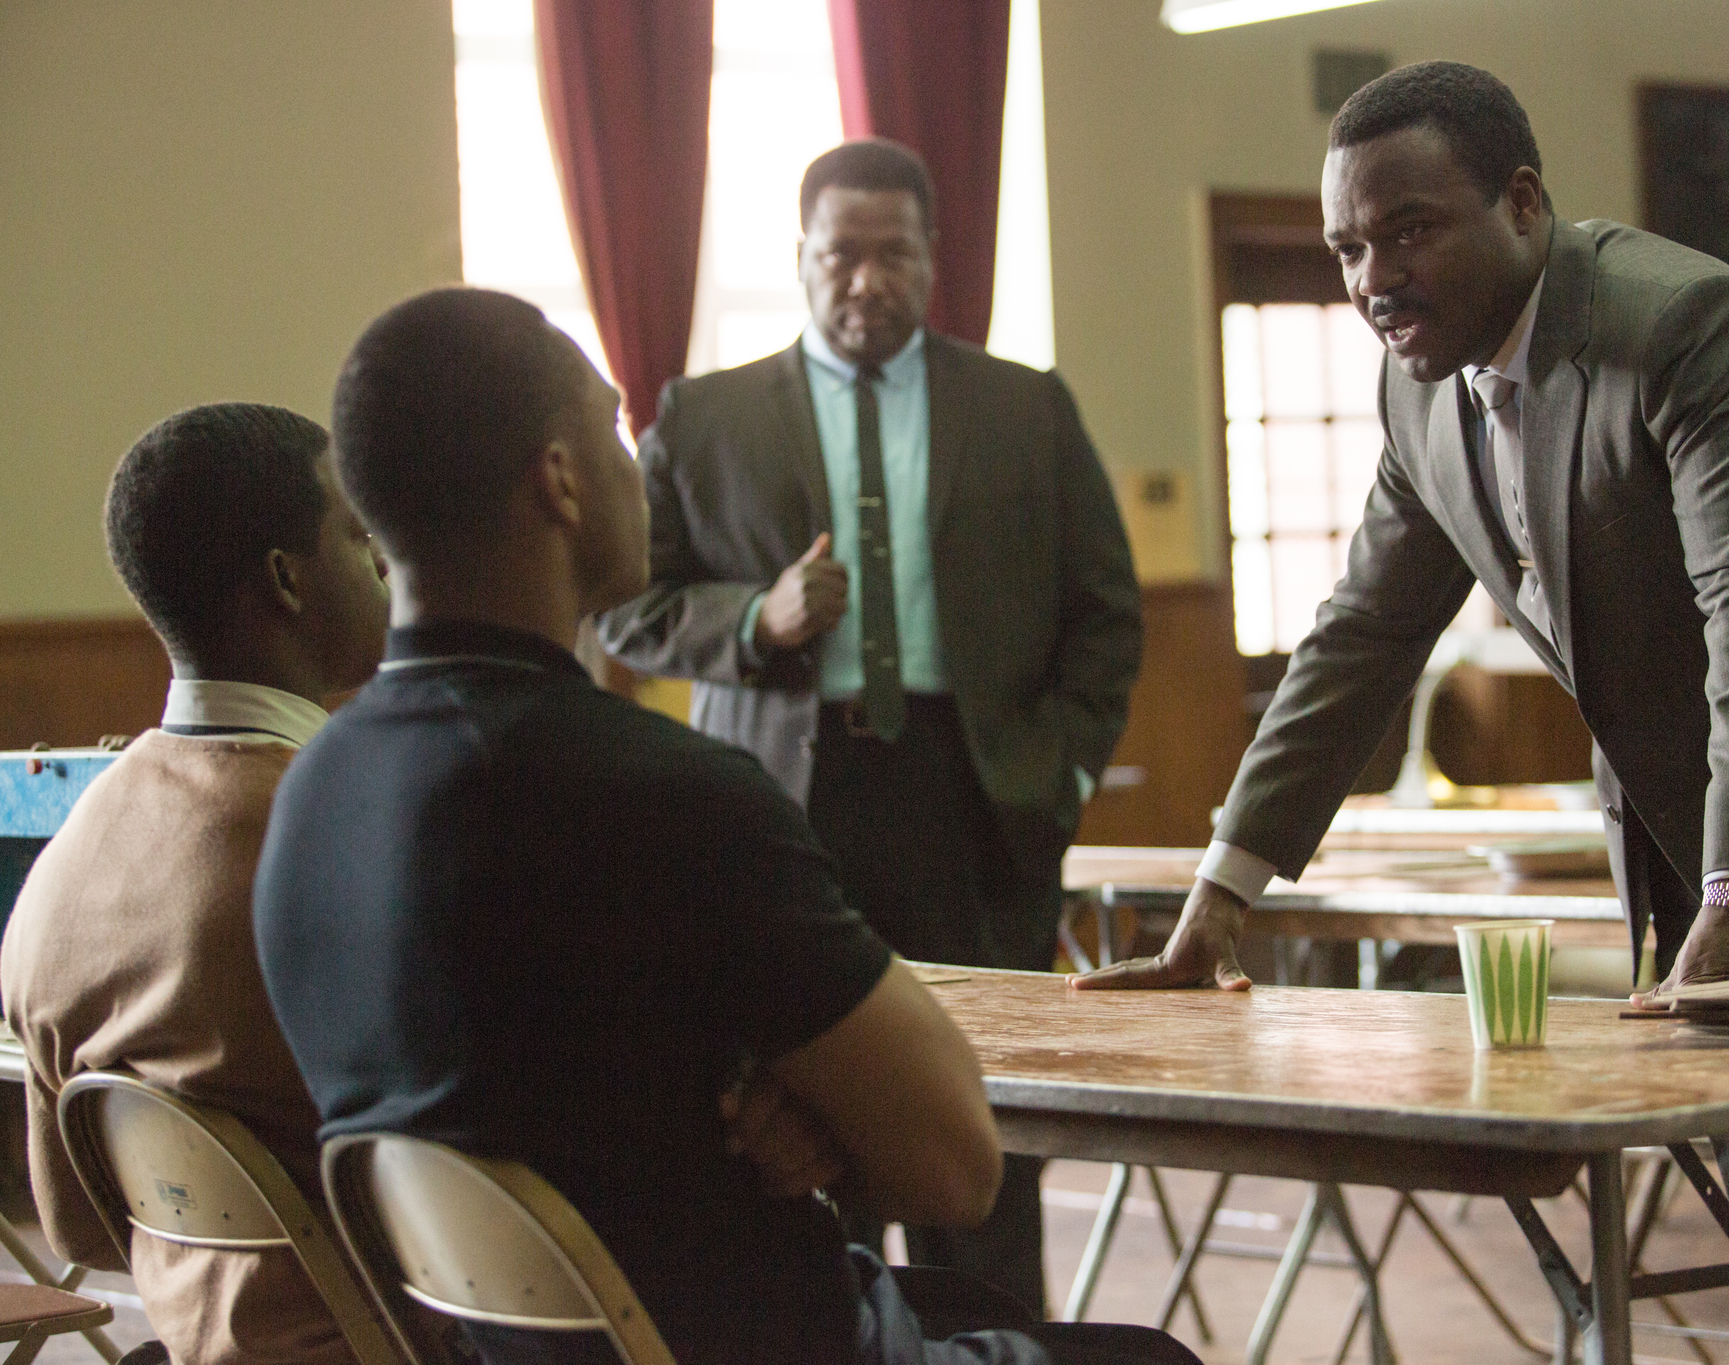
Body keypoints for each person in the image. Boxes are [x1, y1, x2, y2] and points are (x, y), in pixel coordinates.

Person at [1078, 62, 1729, 1365]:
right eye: (1347, 246)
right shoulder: (1416, 391)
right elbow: (1358, 638)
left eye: (1410, 229)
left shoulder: (1686, 321)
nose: (1372, 278)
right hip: (1700, 847)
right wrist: (1225, 889)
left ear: (1524, 204)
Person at [253, 287, 1194, 1365]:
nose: (633, 465)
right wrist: (811, 1106)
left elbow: (527, 1088)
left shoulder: (309, 796)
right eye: (612, 428)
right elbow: (954, 1165)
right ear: (557, 479)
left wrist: (750, 1098)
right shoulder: (668, 797)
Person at [597, 137, 1143, 1312]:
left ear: (932, 260)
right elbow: (624, 606)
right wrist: (755, 616)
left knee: (983, 1128)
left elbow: (1104, 613)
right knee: (787, 1129)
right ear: (799, 258)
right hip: (777, 803)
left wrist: (1062, 772)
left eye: (892, 255)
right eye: (840, 255)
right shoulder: (706, 417)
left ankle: (988, 1340)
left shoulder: (1023, 407)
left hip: (976, 796)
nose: (865, 280)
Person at [1, 403, 390, 1365]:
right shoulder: (353, 844)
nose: (381, 562)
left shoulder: (62, 863)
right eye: (355, 531)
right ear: (285, 579)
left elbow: (82, 1230)